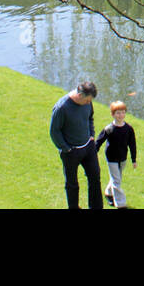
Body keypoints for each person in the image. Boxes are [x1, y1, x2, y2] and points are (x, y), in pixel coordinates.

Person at [50, 81, 102, 209]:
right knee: (72, 184)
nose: (88, 103)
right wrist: (66, 148)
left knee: (95, 177)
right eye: (87, 101)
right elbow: (54, 131)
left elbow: (90, 117)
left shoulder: (87, 103)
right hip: (71, 152)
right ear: (80, 95)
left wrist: (92, 135)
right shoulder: (62, 108)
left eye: (90, 101)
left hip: (88, 147)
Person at [95, 100, 138, 209]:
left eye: (123, 112)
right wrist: (93, 154)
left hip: (123, 158)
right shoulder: (109, 129)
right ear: (112, 114)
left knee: (116, 178)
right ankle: (120, 204)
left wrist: (134, 160)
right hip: (111, 158)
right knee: (116, 180)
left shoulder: (128, 129)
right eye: (118, 113)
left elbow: (132, 145)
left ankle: (108, 192)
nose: (121, 115)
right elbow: (99, 141)